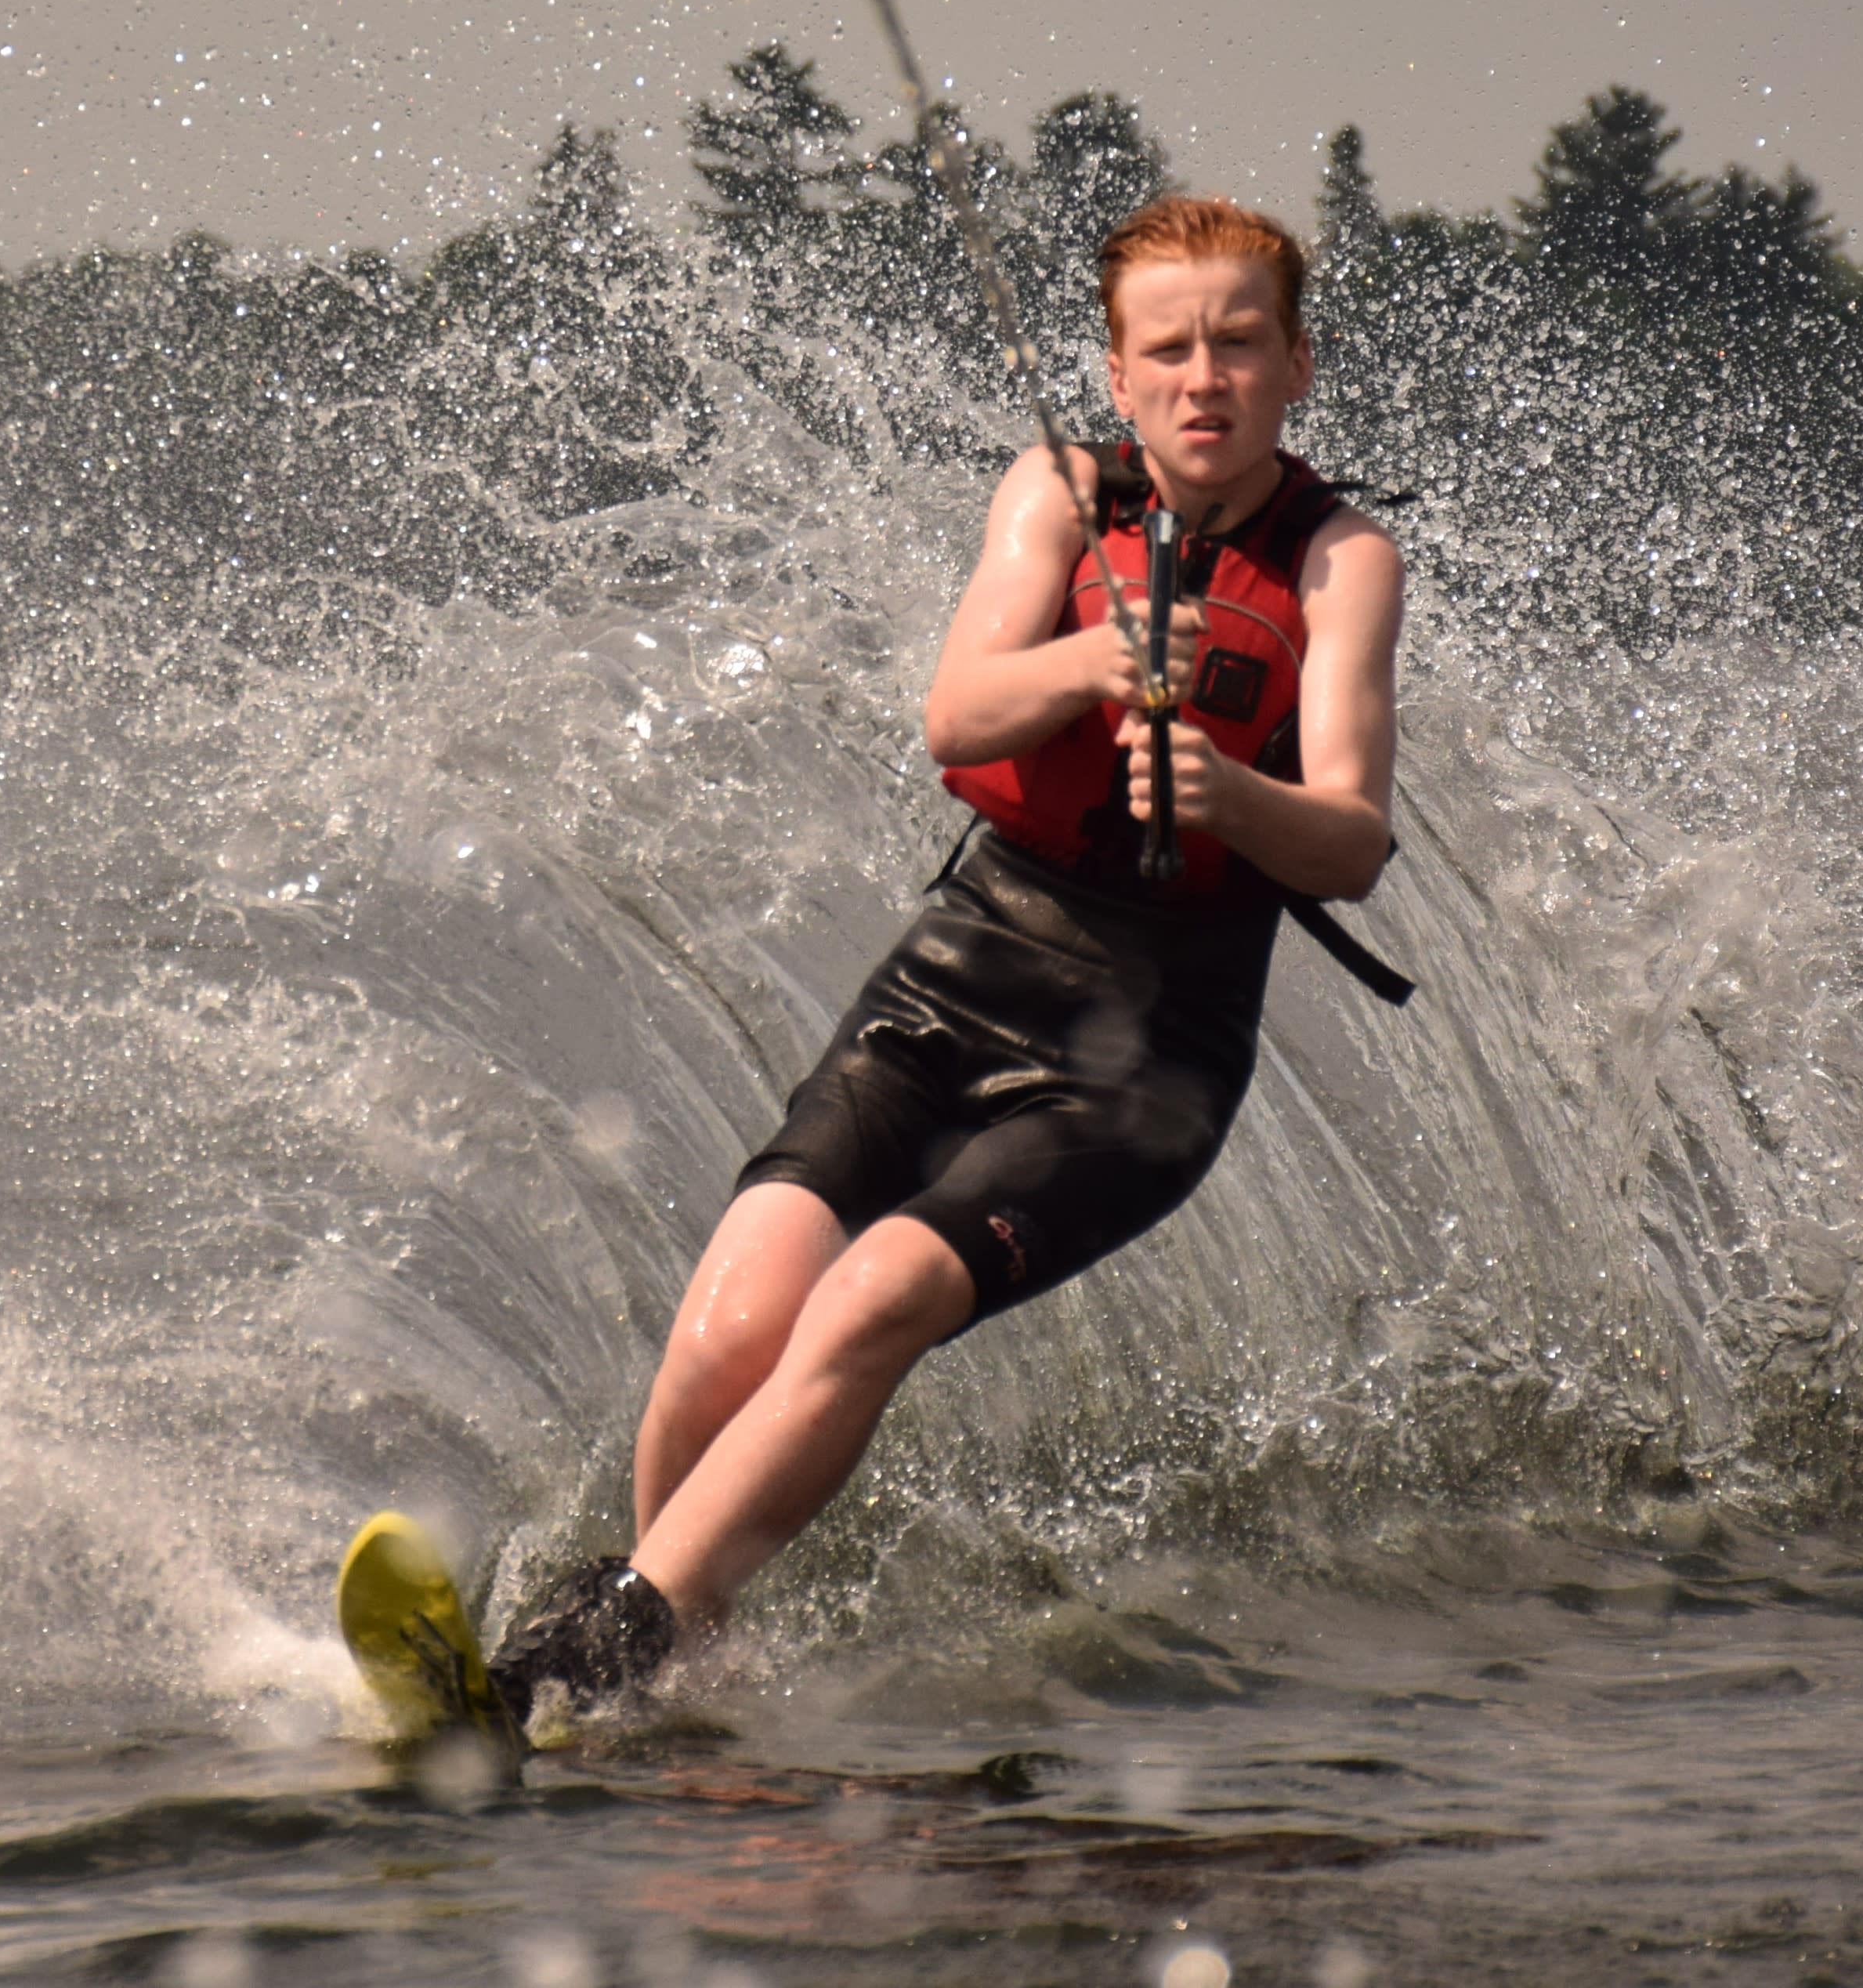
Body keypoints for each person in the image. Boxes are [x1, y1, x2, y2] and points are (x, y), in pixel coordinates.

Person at [486, 193, 1405, 1718]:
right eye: (1168, 348)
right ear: (1118, 376)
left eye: (1241, 344)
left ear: (1296, 364)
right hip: (967, 968)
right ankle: (666, 1658)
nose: (1205, 377)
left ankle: (607, 1650)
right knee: (727, 1331)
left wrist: (1235, 796)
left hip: (1151, 1043)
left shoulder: (1339, 558)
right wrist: (1096, 658)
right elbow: (956, 718)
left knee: (874, 1301)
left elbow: (1356, 840)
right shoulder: (1058, 495)